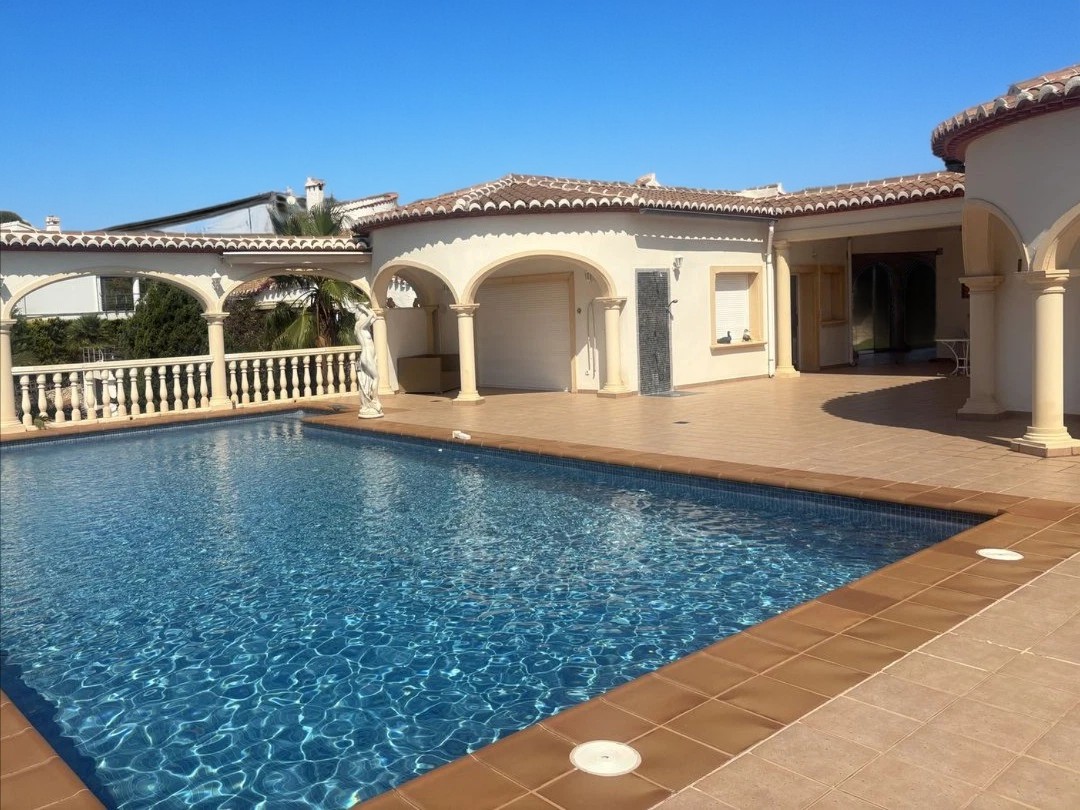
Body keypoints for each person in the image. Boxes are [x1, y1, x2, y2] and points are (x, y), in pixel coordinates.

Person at [354, 304, 384, 419]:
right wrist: (363, 308)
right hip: (366, 356)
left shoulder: (364, 328)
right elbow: (371, 315)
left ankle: (369, 401)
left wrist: (368, 310)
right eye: (364, 315)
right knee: (376, 377)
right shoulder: (359, 326)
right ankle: (374, 399)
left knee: (371, 379)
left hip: (369, 356)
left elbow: (374, 317)